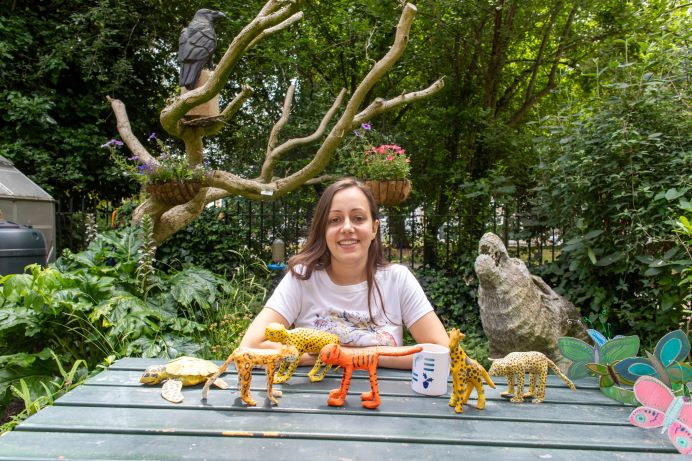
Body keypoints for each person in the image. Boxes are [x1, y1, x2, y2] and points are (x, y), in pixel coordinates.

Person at [240, 178, 449, 368]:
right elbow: (251, 347)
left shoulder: (397, 280)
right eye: (335, 220)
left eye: (358, 218)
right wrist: (333, 356)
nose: (347, 227)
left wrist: (342, 354)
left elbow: (443, 351)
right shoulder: (303, 277)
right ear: (323, 230)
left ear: (374, 228)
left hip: (384, 402)